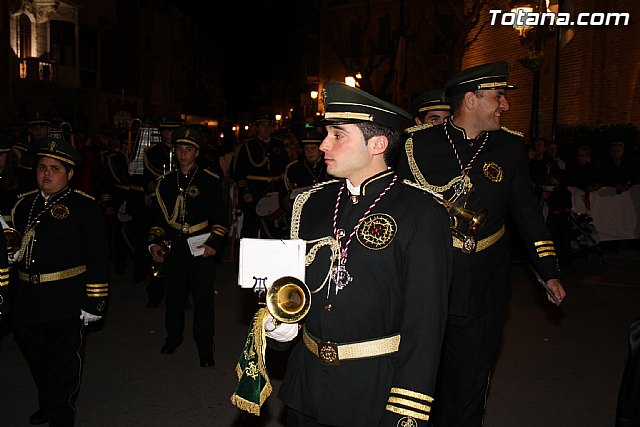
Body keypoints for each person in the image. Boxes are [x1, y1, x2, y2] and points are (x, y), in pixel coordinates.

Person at [266, 80, 452, 426]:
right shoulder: (311, 203)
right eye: (327, 134)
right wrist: (282, 328)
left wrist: (407, 407)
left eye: (338, 135)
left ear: (377, 144)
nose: (323, 145)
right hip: (306, 386)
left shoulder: (421, 213)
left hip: (374, 392)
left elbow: (425, 323)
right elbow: (293, 288)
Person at [396, 60, 567, 427]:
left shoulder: (509, 147)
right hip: (429, 282)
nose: (504, 106)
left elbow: (527, 215)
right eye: (498, 96)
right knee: (419, 381)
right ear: (471, 100)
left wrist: (548, 271)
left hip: (485, 284)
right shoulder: (416, 144)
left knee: (470, 383)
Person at [10, 136, 109, 426]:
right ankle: (48, 400)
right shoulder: (23, 204)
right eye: (42, 168)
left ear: (69, 174)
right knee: (37, 358)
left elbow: (99, 257)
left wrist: (95, 300)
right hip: (28, 297)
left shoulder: (84, 207)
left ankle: (61, 413)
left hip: (66, 297)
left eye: (54, 169)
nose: (47, 174)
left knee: (64, 362)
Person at [148, 126, 228, 367]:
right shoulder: (166, 183)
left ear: (197, 153)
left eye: (188, 149)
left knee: (203, 300)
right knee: (174, 297)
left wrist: (214, 243)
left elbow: (220, 219)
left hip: (201, 245)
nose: (183, 153)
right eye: (180, 148)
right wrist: (154, 243)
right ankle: (173, 337)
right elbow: (158, 218)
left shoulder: (208, 180)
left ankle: (205, 347)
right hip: (175, 247)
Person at [230, 113, 290, 239]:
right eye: (263, 126)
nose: (266, 129)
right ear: (256, 128)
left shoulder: (278, 145)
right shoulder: (247, 146)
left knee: (274, 228)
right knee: (250, 228)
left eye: (269, 126)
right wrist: (245, 191)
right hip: (254, 191)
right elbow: (239, 172)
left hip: (275, 191)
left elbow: (287, 168)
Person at [143, 116, 181, 306]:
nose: (168, 134)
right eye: (165, 130)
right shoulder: (152, 152)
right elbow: (147, 179)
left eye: (171, 130)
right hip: (160, 203)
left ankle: (180, 293)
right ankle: (155, 293)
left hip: (179, 204)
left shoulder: (183, 150)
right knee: (156, 244)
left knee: (180, 248)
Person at [283, 129, 330, 196]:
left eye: (312, 148)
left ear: (321, 150)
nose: (309, 152)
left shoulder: (329, 166)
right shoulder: (295, 169)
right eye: (306, 149)